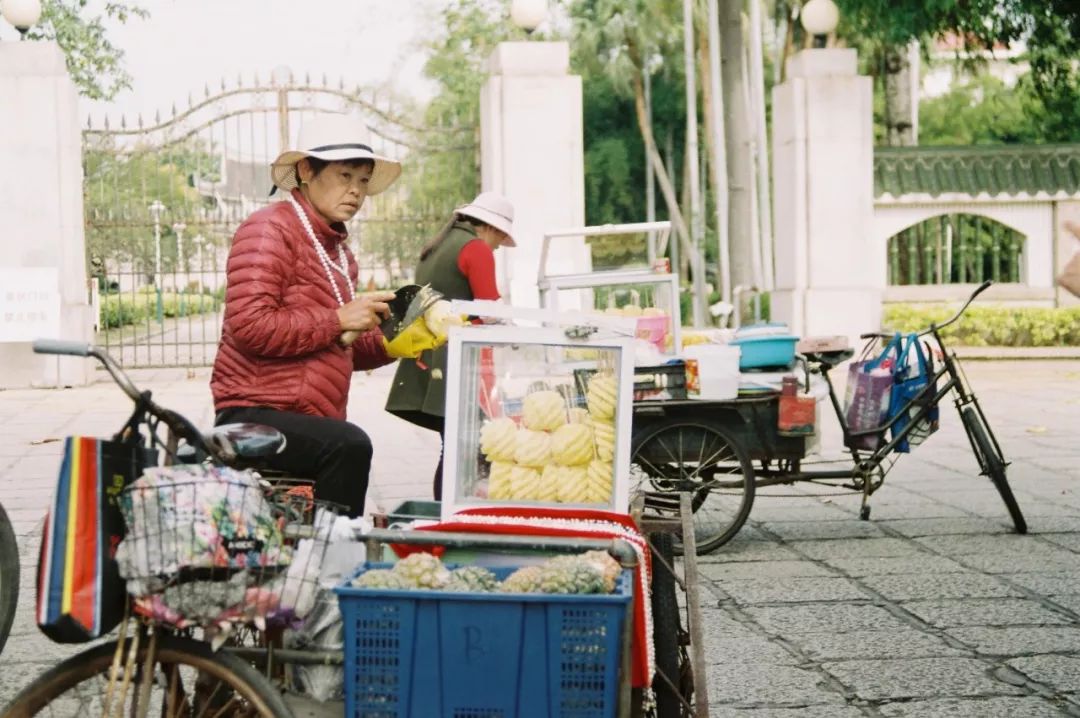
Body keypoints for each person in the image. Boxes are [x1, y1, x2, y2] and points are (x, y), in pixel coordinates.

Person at [210, 114, 404, 517]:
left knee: (344, 447)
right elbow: (249, 325)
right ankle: (328, 561)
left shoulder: (336, 251)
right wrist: (338, 319)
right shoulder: (269, 229)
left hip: (306, 413)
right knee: (349, 446)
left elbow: (347, 347)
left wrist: (402, 337)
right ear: (305, 171)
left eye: (364, 180)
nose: (355, 190)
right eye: (344, 175)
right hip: (255, 407)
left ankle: (316, 554)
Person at [385, 191, 516, 500]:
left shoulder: (438, 245)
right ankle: (457, 518)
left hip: (429, 357)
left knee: (455, 446)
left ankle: (445, 513)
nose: (498, 245)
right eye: (501, 237)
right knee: (474, 447)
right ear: (491, 227)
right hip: (458, 360)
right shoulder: (476, 248)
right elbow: (489, 309)